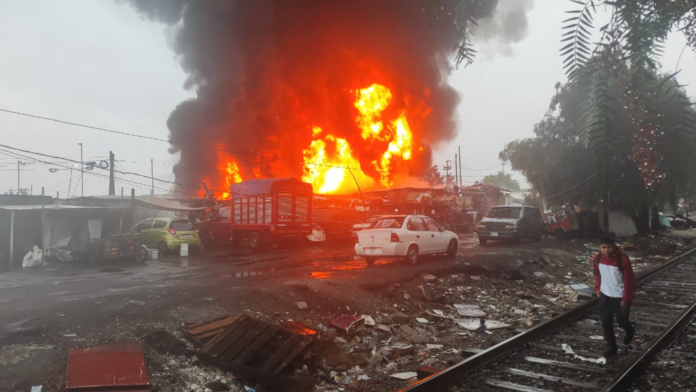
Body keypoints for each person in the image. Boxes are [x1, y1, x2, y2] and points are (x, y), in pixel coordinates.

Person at [593, 237, 636, 357]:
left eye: (609, 247)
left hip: (619, 297)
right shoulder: (598, 258)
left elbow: (630, 281)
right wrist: (597, 288)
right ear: (600, 248)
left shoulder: (622, 260)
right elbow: (597, 272)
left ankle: (629, 330)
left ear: (614, 247)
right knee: (606, 322)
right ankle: (612, 348)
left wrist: (626, 299)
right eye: (603, 247)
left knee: (622, 321)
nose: (606, 250)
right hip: (605, 296)